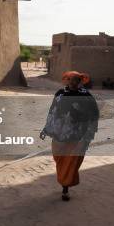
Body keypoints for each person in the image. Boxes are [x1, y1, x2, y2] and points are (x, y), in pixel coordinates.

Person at [40, 71, 98, 201]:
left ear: (80, 81)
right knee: (59, 158)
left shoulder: (86, 96)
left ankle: (65, 189)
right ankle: (64, 182)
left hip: (78, 134)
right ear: (66, 80)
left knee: (71, 161)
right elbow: (52, 111)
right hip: (59, 133)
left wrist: (89, 132)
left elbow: (94, 115)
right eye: (70, 79)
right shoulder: (60, 93)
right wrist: (46, 128)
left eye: (76, 80)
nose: (73, 82)